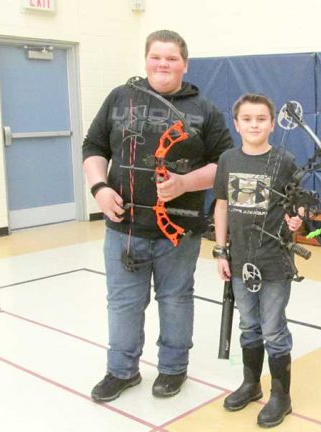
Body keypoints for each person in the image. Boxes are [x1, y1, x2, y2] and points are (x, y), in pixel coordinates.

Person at [82, 29, 233, 402]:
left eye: (171, 58)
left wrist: (185, 183)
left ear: (185, 63)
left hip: (178, 230)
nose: (163, 64)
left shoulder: (204, 110)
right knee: (122, 301)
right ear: (146, 60)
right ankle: (121, 371)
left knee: (176, 298)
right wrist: (99, 188)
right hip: (124, 227)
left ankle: (172, 369)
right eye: (156, 57)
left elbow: (227, 164)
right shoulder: (119, 98)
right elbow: (94, 146)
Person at [212, 93, 303, 428]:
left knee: (273, 328)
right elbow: (221, 206)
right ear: (236, 124)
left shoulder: (285, 160)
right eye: (247, 119)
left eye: (261, 119)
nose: (254, 124)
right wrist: (222, 250)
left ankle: (281, 395)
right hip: (239, 260)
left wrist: (298, 218)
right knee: (248, 324)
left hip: (274, 261)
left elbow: (298, 206)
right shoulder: (227, 160)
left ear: (272, 123)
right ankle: (251, 385)